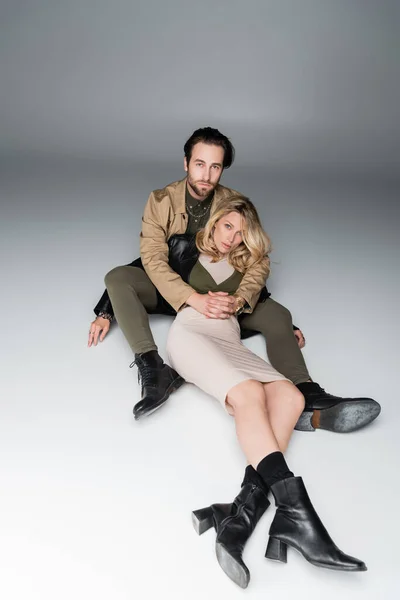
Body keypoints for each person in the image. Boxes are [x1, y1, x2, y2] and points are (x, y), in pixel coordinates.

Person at [87, 126, 380, 433]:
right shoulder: (160, 201)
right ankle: (154, 368)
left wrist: (240, 300)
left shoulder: (235, 203)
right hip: (173, 291)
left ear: (222, 169)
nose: (206, 175)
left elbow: (258, 260)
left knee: (279, 315)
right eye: (199, 164)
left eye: (215, 167)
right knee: (118, 277)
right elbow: (152, 260)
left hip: (223, 295)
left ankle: (306, 392)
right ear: (186, 163)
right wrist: (110, 309)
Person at [165, 196, 367, 588]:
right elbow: (147, 269)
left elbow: (256, 291)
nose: (232, 238)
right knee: (249, 397)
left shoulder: (253, 263)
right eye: (227, 227)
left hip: (229, 336)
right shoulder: (186, 247)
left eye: (241, 233)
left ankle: (238, 515)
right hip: (192, 332)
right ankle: (296, 516)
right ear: (216, 222)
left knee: (290, 397)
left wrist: (238, 300)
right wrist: (106, 310)